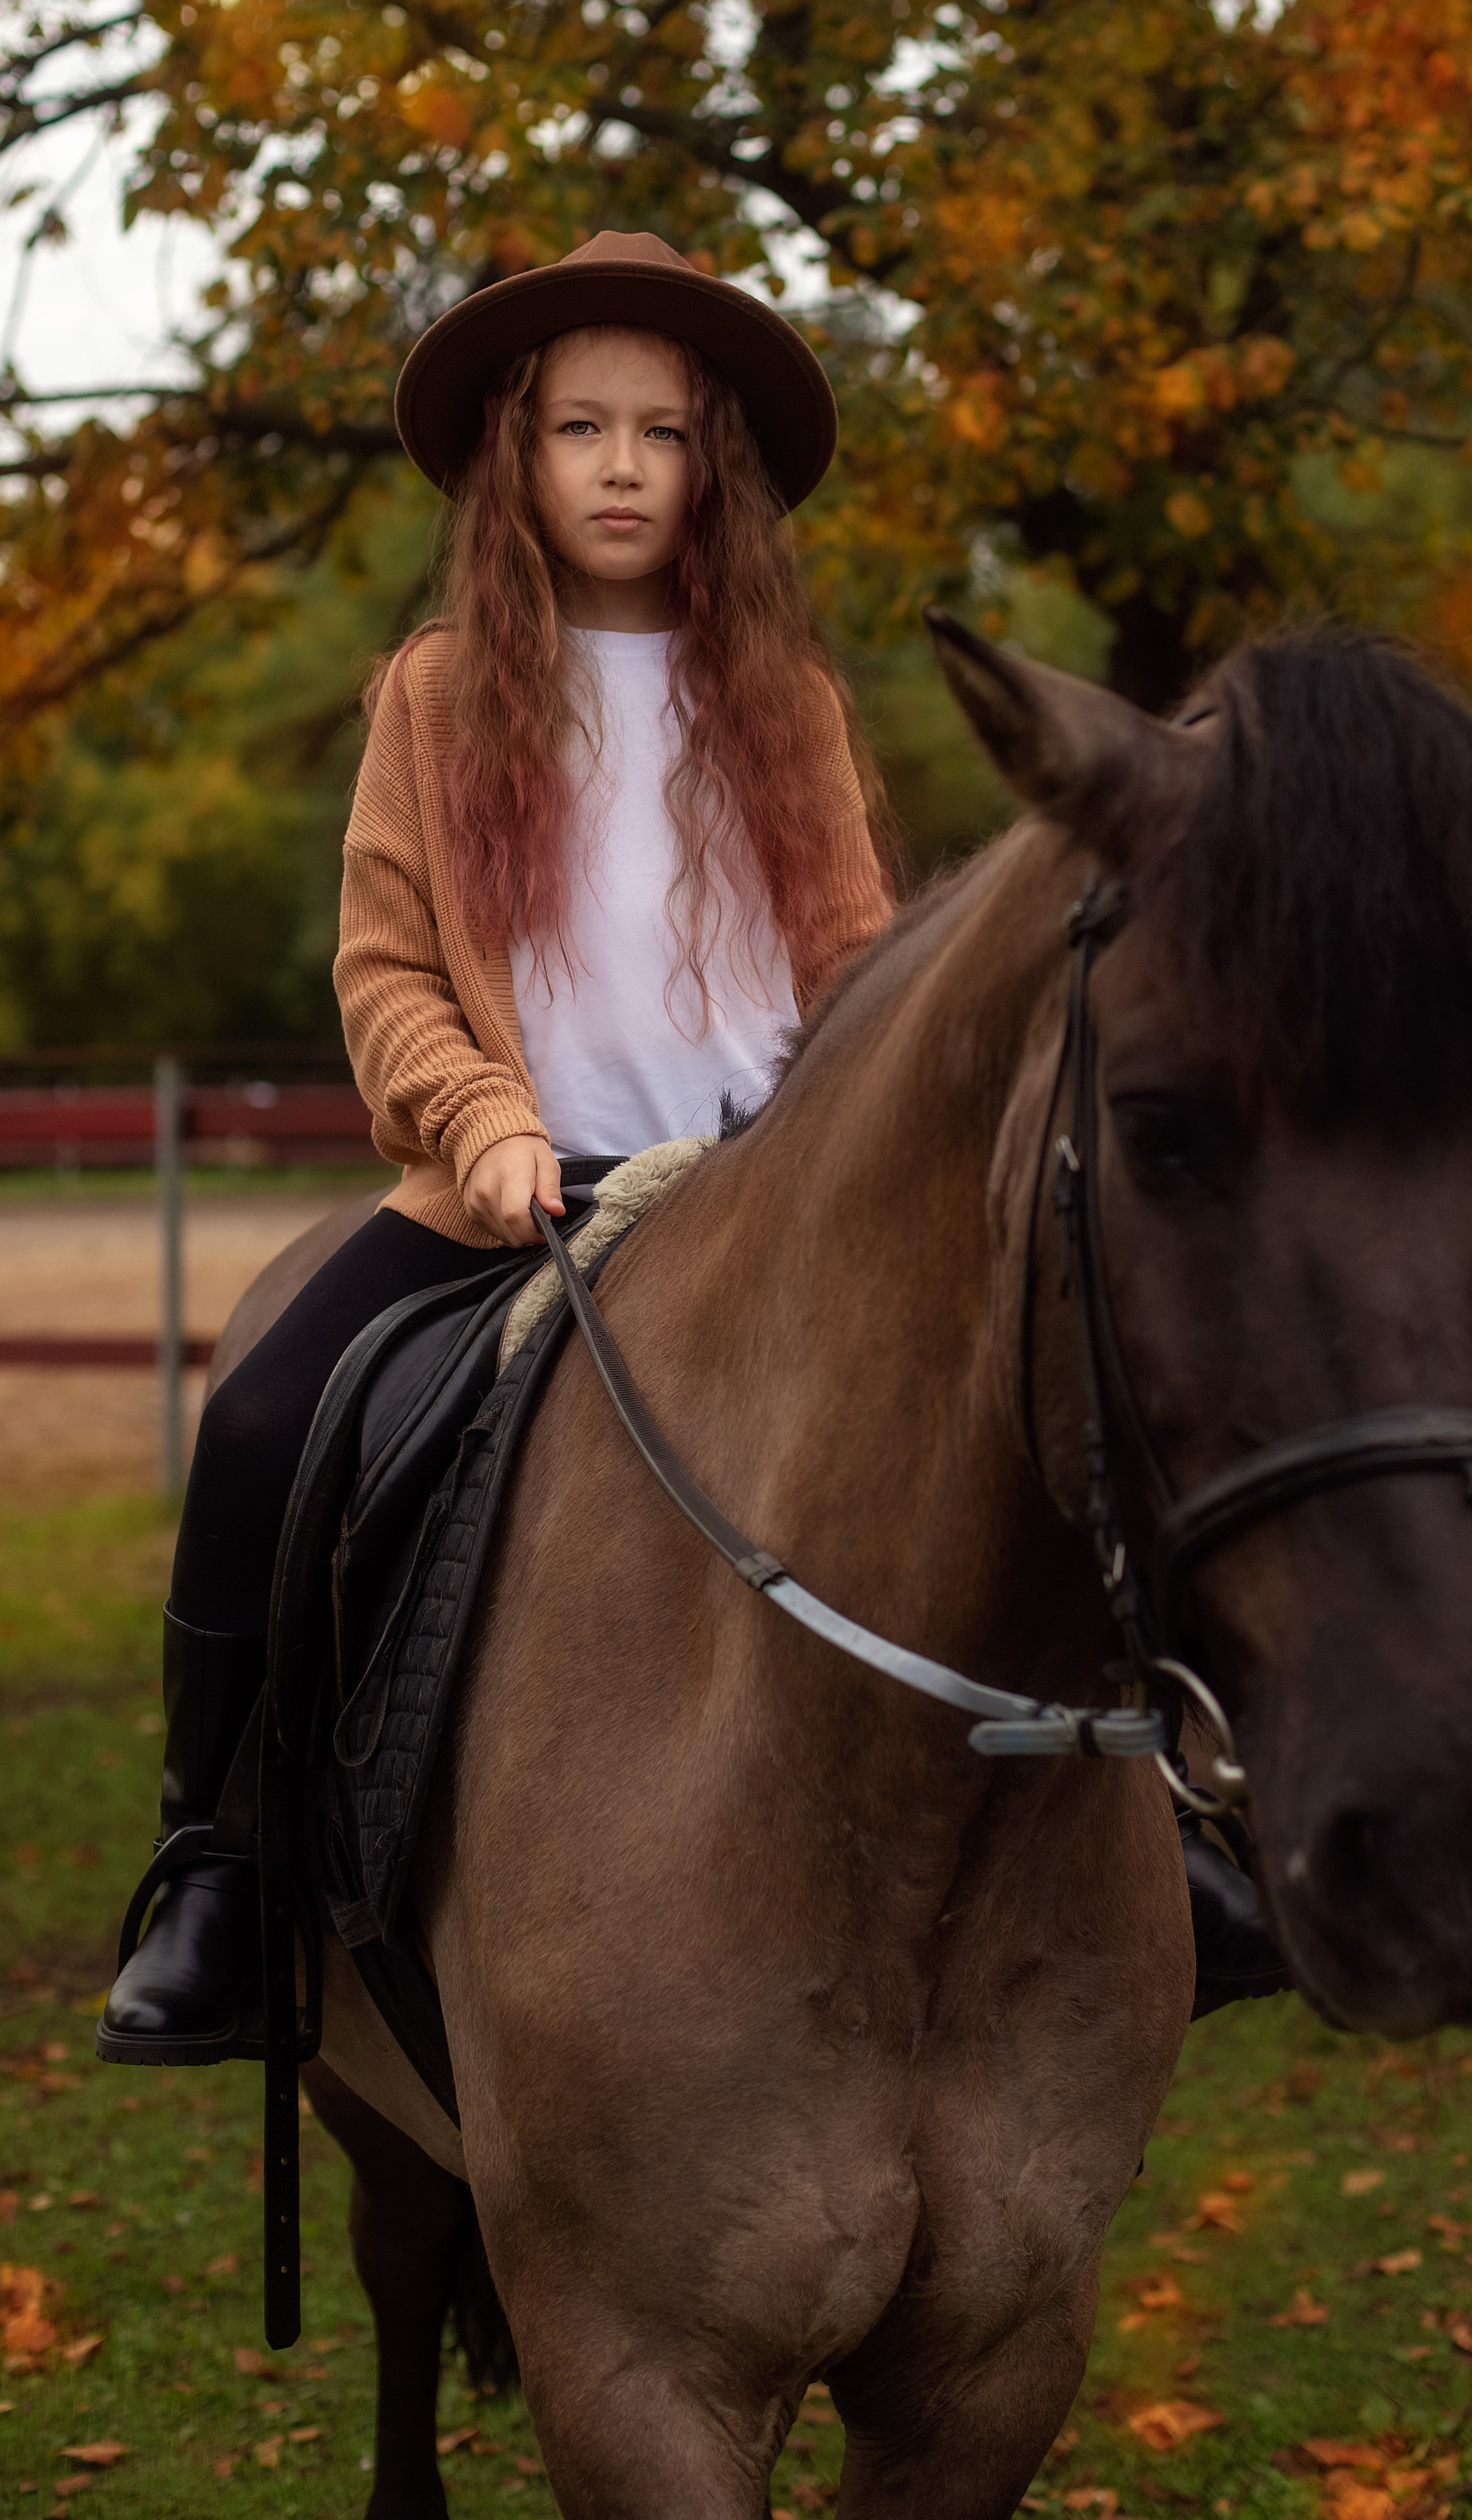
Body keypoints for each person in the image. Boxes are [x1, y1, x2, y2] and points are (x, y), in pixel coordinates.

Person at [96, 233, 893, 2064]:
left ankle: (1161, 1816)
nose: (621, 468)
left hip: (757, 1210)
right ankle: (219, 1864)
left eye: (664, 434)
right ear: (511, 458)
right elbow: (385, 976)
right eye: (580, 429)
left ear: (718, 468)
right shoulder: (439, 695)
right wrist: (488, 1125)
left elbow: (857, 972)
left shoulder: (786, 704)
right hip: (508, 1204)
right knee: (261, 1420)